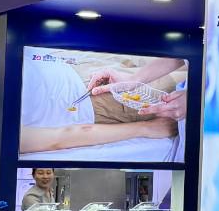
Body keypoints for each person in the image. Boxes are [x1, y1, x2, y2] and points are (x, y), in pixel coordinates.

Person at [17, 52, 181, 155]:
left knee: (182, 67)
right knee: (179, 80)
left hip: (81, 69)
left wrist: (145, 128)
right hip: (94, 96)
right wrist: (146, 128)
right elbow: (61, 138)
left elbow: (59, 138)